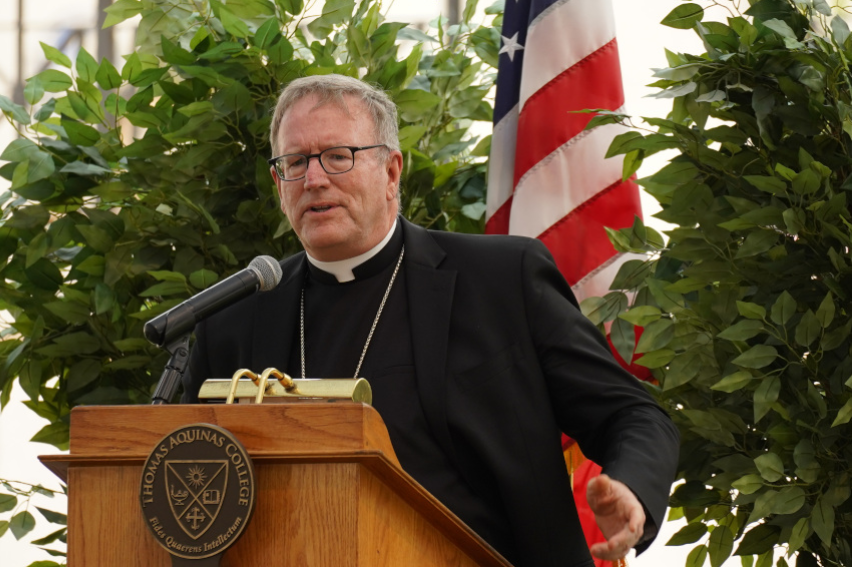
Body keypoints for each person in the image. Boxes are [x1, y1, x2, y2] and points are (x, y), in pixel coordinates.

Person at [181, 74, 679, 567]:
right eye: (295, 162)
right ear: (279, 182)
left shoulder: (502, 281)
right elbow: (189, 473)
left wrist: (633, 491)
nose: (314, 179)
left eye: (338, 156)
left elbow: (630, 414)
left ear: (392, 172)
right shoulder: (235, 316)